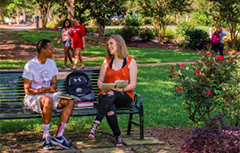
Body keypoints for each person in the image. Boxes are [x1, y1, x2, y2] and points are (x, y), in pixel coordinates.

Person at [22, 39, 74, 150]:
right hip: (34, 97)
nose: (53, 51)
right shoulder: (30, 65)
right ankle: (46, 136)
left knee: (70, 100)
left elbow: (54, 83)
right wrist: (41, 91)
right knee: (47, 100)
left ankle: (58, 136)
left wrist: (51, 89)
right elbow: (27, 90)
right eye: (50, 49)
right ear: (43, 50)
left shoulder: (52, 63)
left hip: (49, 94)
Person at [87, 35, 138, 147]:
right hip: (106, 95)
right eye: (108, 44)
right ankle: (118, 137)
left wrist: (121, 89)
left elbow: (133, 84)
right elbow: (99, 81)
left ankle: (95, 124)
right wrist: (102, 88)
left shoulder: (130, 61)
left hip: (124, 96)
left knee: (112, 94)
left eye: (111, 43)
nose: (109, 46)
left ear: (119, 44)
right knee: (110, 108)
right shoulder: (106, 62)